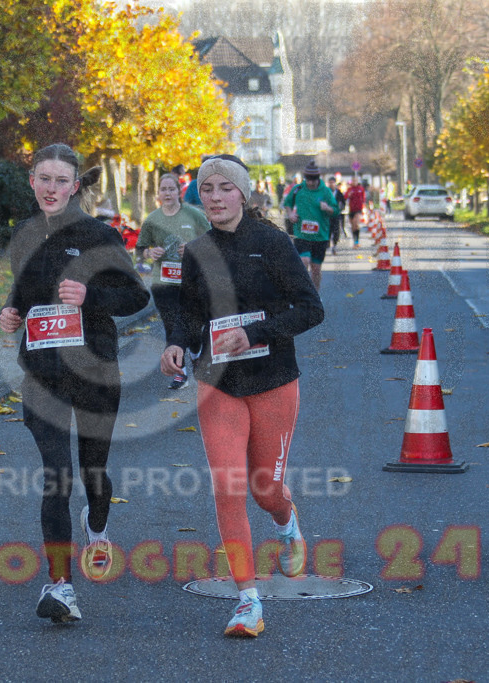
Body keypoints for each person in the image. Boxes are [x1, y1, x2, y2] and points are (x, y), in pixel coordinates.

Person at [159, 154, 325, 638]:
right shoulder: (195, 252)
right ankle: (248, 601)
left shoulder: (272, 243)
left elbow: (311, 310)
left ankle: (286, 520)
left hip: (273, 381)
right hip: (218, 384)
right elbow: (189, 314)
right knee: (228, 486)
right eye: (206, 189)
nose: (214, 197)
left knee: (263, 489)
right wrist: (176, 343)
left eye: (224, 188)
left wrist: (254, 333)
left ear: (243, 194)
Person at [0, 143, 150, 624]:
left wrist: (90, 294)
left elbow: (135, 296)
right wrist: (11, 311)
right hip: (42, 374)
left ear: (75, 186)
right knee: (57, 477)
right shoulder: (23, 234)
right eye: (44, 179)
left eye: (61, 181)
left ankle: (97, 523)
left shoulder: (99, 235)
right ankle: (60, 586)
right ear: (32, 181)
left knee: (93, 473)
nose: (51, 188)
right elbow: (25, 292)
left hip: (94, 374)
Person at [137, 172, 211, 389]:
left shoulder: (194, 215)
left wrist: (194, 248)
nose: (167, 193)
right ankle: (180, 373)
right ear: (158, 193)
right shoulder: (152, 219)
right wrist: (150, 253)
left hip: (191, 282)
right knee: (171, 326)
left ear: (179, 192)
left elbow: (212, 241)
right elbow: (140, 249)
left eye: (171, 189)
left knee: (192, 328)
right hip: (163, 284)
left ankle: (196, 354)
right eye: (163, 189)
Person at [283, 160, 338, 291]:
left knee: (316, 269)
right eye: (308, 179)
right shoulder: (298, 189)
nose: (310, 183)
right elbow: (287, 203)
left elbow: (336, 210)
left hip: (320, 236)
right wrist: (290, 214)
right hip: (301, 234)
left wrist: (327, 208)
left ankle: (315, 295)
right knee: (304, 261)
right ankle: (303, 293)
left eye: (313, 180)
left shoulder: (325, 192)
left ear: (318, 178)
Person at [344, 177, 366, 249]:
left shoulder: (361, 189)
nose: (354, 182)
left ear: (357, 181)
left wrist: (363, 206)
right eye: (353, 181)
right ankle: (355, 241)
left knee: (356, 224)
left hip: (358, 209)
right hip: (351, 210)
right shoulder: (350, 189)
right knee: (353, 226)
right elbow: (345, 197)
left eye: (355, 181)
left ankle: (357, 242)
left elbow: (364, 198)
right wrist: (348, 195)